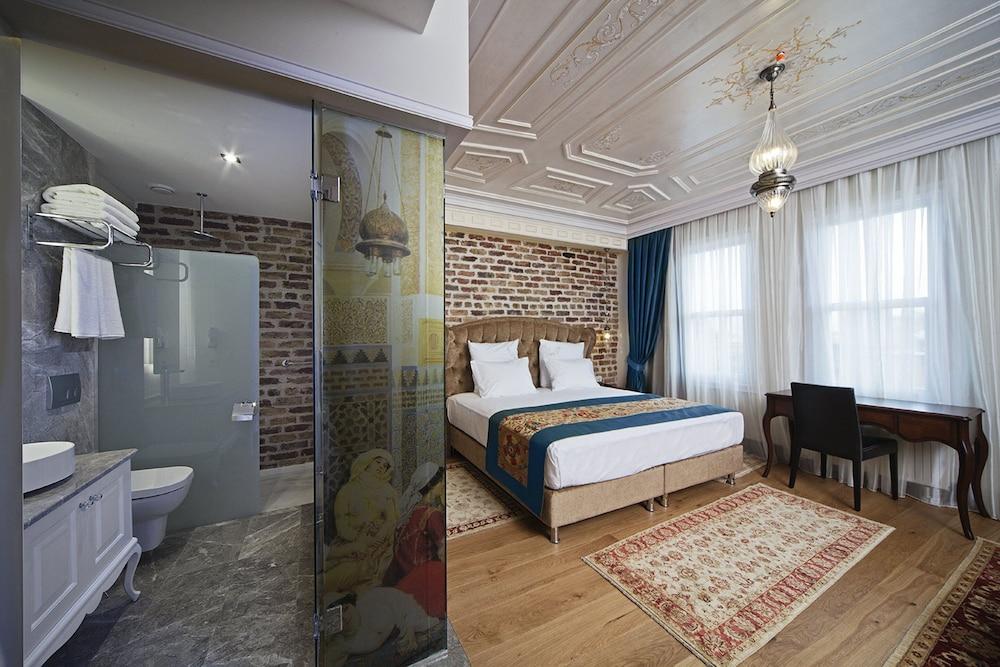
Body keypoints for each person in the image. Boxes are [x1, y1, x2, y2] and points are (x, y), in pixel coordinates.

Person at [324, 449, 399, 594]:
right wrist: (359, 541)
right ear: (367, 463)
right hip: (351, 543)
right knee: (333, 573)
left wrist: (377, 538)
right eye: (378, 462)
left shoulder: (387, 491)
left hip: (380, 546)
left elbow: (391, 520)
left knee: (362, 571)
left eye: (384, 466)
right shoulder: (347, 490)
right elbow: (341, 526)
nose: (381, 467)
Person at [383, 462, 445, 618]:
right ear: (433, 485)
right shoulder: (431, 514)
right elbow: (443, 550)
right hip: (419, 577)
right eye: (441, 481)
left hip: (401, 575)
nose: (443, 484)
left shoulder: (412, 511)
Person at [324, 587, 440, 667]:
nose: (345, 617)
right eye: (339, 617)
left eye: (346, 609)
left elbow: (402, 609)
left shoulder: (371, 608)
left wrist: (408, 627)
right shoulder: (341, 643)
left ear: (352, 604)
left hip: (405, 606)